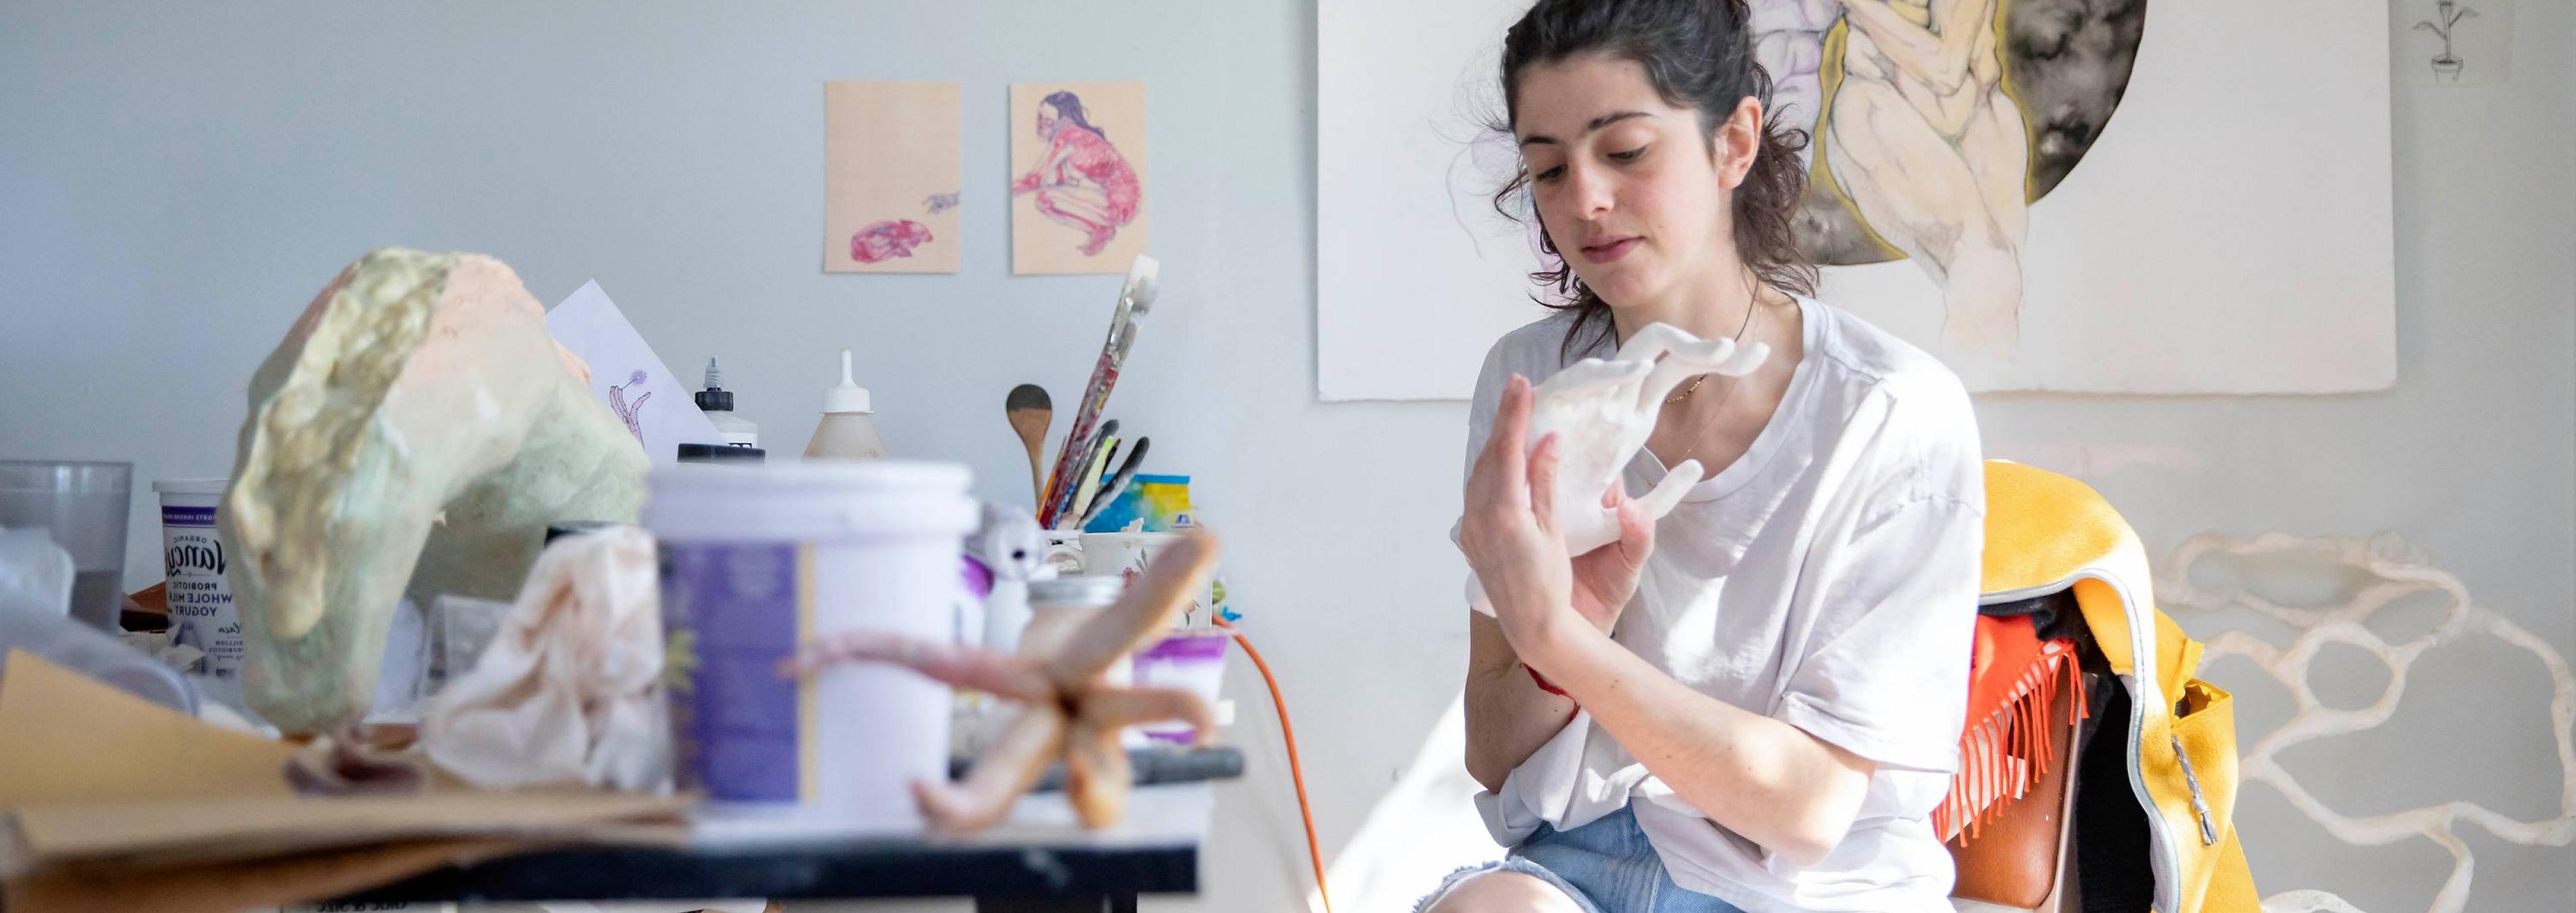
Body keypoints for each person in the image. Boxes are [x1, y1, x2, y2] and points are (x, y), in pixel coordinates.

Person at [1424, 1, 1983, 911]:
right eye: (1548, 169)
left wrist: (1559, 635)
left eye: (1626, 150)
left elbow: (1806, 808)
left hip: (1799, 888)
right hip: (1574, 861)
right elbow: (1493, 754)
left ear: (1733, 142)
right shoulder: (1529, 380)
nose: (1584, 201)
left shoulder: (1891, 413)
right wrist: (1547, 655)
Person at [1825, 0, 2031, 354]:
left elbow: (1946, 68)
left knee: (1998, 290)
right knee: (1985, 266)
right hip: (1879, 112)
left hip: (1979, 117)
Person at [1010, 91, 1142, 257]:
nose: (1041, 126)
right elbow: (1064, 183)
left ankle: (1102, 229)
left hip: (1120, 203)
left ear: (1064, 121)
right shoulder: (1075, 137)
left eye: (1049, 122)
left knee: (1045, 198)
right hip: (1118, 199)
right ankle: (1100, 229)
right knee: (1046, 199)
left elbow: (1035, 180)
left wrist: (1000, 194)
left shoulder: (1069, 136)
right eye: (1040, 118)